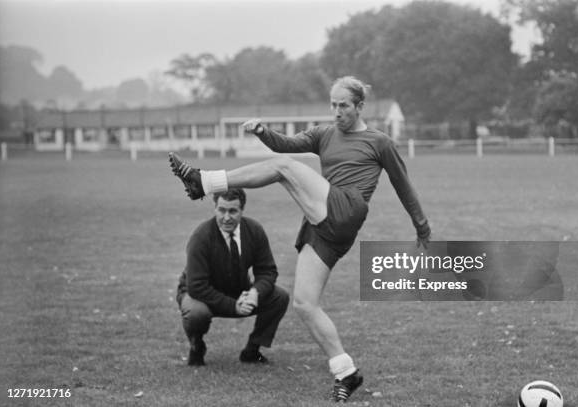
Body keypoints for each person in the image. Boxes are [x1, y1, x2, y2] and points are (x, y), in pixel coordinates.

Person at [169, 76, 431, 402]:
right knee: (305, 304)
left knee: (283, 168)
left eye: (344, 105)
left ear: (360, 106)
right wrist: (264, 132)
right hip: (321, 225)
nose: (337, 112)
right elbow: (286, 145)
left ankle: (203, 181)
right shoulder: (324, 134)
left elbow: (403, 184)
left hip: (347, 208)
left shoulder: (379, 142)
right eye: (333, 105)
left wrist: (422, 228)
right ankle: (346, 372)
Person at [176, 188, 289, 366]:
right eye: (222, 210)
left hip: (237, 290)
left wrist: (255, 293)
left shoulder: (254, 230)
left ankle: (252, 351)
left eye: (233, 211)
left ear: (242, 210)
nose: (226, 217)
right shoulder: (201, 236)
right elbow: (197, 286)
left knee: (279, 297)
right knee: (196, 312)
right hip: (199, 295)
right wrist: (233, 306)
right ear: (215, 208)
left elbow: (267, 271)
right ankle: (196, 346)